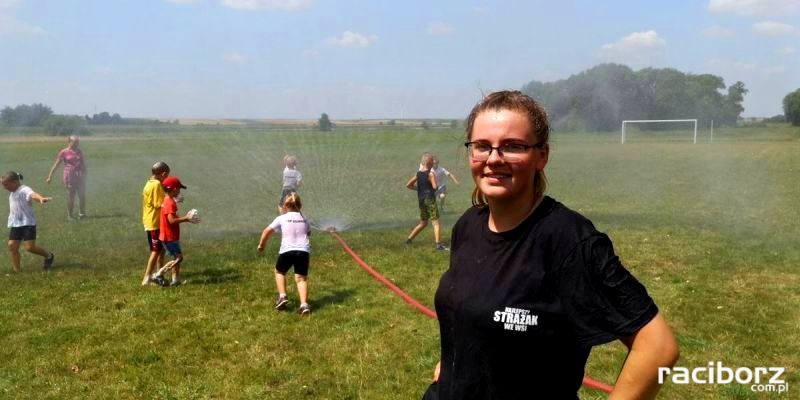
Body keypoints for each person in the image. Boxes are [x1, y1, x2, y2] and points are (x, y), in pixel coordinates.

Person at [426, 91, 678, 400]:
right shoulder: (468, 225)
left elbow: (658, 347)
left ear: (542, 156)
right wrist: (454, 364)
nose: (493, 159)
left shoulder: (569, 240)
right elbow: (469, 309)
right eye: (482, 147)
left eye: (513, 147)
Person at [258, 192, 312, 315]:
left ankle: (282, 296)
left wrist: (261, 245)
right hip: (303, 251)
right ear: (299, 205)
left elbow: (266, 231)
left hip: (287, 251)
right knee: (301, 278)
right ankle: (304, 305)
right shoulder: (305, 218)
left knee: (279, 271)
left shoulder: (281, 218)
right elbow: (308, 233)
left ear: (285, 206)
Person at [149, 176, 197, 287]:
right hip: (169, 237)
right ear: (174, 189)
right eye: (179, 189)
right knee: (178, 258)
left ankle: (175, 280)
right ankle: (158, 274)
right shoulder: (170, 203)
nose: (179, 191)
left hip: (169, 236)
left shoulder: (167, 200)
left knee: (176, 257)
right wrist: (187, 218)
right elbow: (171, 221)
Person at [3, 171, 55, 272]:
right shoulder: (13, 192)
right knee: (12, 245)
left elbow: (32, 194)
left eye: (6, 184)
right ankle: (17, 270)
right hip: (16, 223)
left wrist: (40, 198)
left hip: (27, 223)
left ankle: (49, 256)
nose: (4, 187)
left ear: (14, 182)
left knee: (30, 247)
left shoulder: (24, 189)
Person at [405, 153, 446, 251]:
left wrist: (419, 189)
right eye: (433, 162)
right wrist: (436, 183)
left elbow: (408, 185)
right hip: (430, 199)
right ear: (430, 163)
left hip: (421, 200)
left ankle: (409, 240)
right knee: (436, 222)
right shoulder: (431, 174)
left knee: (423, 222)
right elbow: (435, 187)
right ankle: (438, 244)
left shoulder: (418, 174)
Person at [141, 161, 170, 286]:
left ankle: (159, 274)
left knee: (161, 249)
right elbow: (159, 204)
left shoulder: (149, 182)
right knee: (156, 250)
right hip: (154, 222)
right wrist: (174, 200)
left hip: (150, 220)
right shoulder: (157, 184)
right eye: (167, 175)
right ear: (163, 174)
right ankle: (146, 279)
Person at [46, 135, 87, 220]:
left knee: (82, 195)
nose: (77, 144)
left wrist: (85, 173)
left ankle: (82, 214)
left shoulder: (79, 151)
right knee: (71, 196)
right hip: (69, 177)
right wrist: (50, 176)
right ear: (69, 142)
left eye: (77, 142)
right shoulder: (64, 152)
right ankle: (70, 215)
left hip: (79, 176)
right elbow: (56, 165)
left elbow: (83, 163)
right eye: (75, 142)